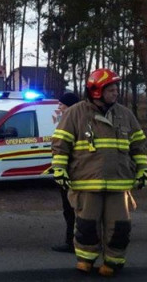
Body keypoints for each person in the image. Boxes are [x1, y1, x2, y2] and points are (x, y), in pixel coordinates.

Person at [51, 69, 147, 277]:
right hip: (87, 182)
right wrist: (59, 169)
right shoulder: (75, 113)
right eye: (111, 89)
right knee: (87, 225)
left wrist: (142, 170)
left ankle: (113, 263)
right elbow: (60, 145)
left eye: (116, 89)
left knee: (119, 227)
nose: (116, 93)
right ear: (97, 91)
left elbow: (138, 146)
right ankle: (86, 260)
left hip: (119, 183)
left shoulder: (125, 115)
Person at [50, 91, 80, 253]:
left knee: (73, 210)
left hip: (73, 175)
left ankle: (74, 242)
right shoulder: (66, 122)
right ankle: (72, 241)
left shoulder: (74, 124)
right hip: (67, 174)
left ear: (69, 107)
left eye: (61, 105)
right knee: (69, 210)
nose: (58, 107)